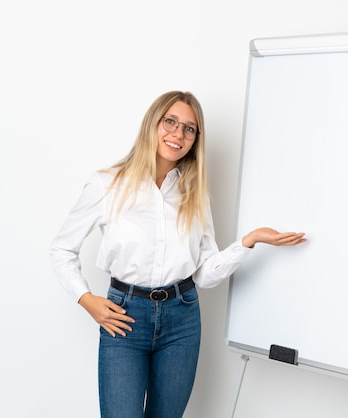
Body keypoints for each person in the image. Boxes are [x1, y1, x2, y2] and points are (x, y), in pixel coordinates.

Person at [48, 90, 306, 418]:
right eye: (170, 121)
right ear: (152, 124)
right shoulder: (107, 185)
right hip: (124, 318)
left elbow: (203, 274)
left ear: (196, 139)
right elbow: (61, 249)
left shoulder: (193, 194)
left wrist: (249, 241)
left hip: (182, 320)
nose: (178, 134)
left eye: (189, 128)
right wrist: (87, 299)